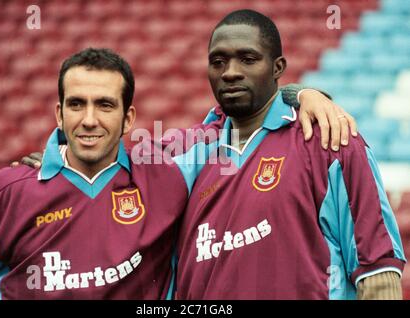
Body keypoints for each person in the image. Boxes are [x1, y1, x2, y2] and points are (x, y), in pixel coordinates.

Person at [0, 47, 353, 300]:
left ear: (129, 118)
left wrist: (302, 94)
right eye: (76, 104)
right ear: (59, 114)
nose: (89, 120)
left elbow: (241, 112)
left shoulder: (167, 173)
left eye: (106, 105)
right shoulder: (5, 192)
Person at [174, 9, 406, 300]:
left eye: (248, 59)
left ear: (277, 67)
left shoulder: (332, 142)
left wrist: (299, 95)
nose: (230, 72)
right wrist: (299, 93)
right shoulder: (188, 157)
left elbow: (378, 272)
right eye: (218, 62)